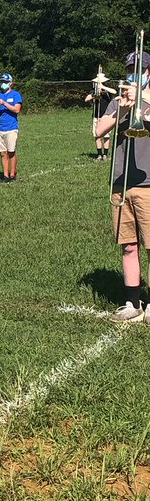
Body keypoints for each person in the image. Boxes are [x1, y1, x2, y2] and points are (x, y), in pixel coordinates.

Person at [96, 47, 150, 324]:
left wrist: (142, 100)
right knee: (128, 245)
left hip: (148, 182)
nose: (132, 74)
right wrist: (123, 110)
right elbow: (98, 131)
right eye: (130, 70)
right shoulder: (119, 100)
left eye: (138, 70)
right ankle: (133, 302)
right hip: (121, 181)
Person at [0, 73, 23, 183]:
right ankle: (5, 176)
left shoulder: (15, 95)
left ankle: (13, 175)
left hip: (11, 128)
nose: (3, 84)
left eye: (5, 82)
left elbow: (17, 110)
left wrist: (4, 103)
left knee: (11, 152)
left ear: (11, 83)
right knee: (3, 153)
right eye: (2, 82)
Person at [84, 68, 115, 162]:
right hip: (96, 116)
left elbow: (114, 92)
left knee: (106, 136)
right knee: (97, 135)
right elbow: (86, 99)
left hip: (107, 116)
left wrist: (103, 88)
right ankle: (99, 154)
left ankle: (105, 154)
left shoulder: (108, 90)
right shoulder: (94, 90)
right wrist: (95, 94)